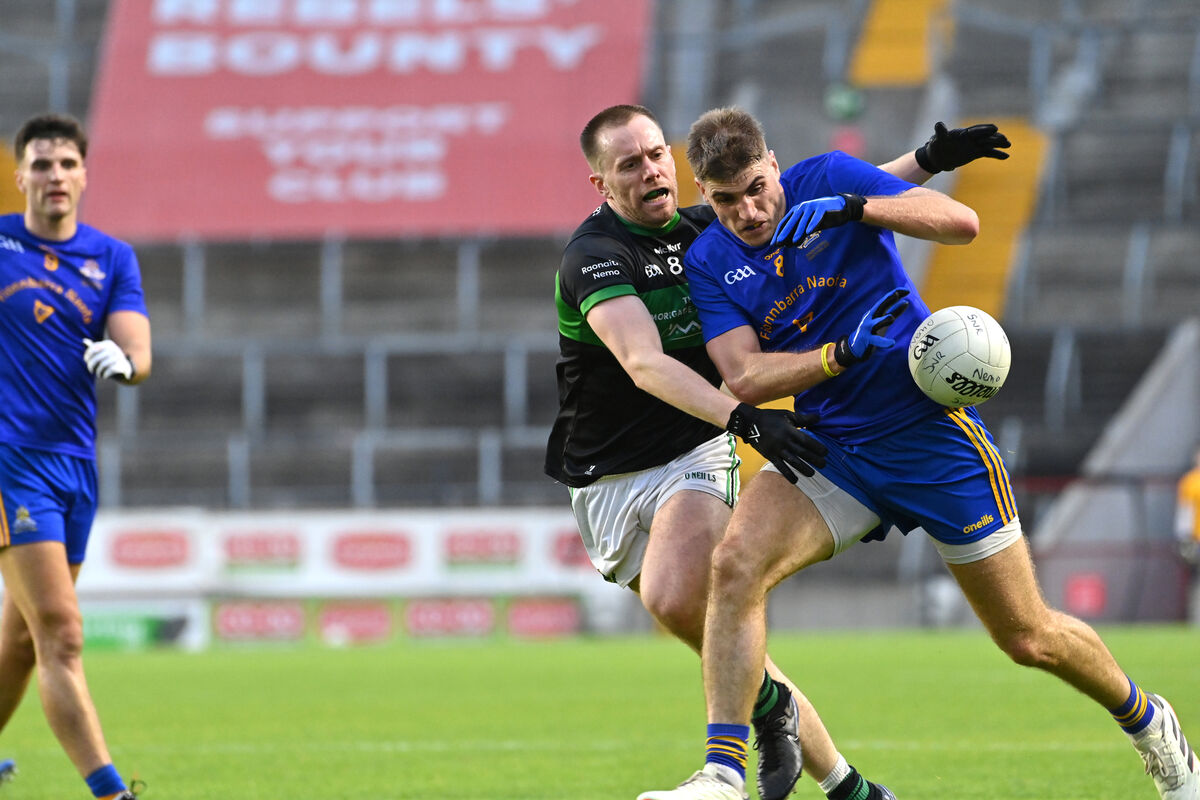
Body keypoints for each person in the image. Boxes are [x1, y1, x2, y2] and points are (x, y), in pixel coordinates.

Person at [638, 106, 1200, 800]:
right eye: (725, 200)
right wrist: (838, 356)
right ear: (703, 194)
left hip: (932, 438)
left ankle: (1150, 725)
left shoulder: (832, 180)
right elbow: (746, 376)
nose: (748, 211)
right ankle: (723, 773)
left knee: (1029, 637)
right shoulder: (710, 260)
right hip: (834, 448)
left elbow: (961, 225)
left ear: (774, 164)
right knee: (733, 564)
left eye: (756, 188)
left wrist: (855, 210)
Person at [545, 104, 1010, 800]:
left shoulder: (713, 225)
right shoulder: (596, 256)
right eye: (629, 164)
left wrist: (926, 161)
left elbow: (807, 204)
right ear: (600, 184)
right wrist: (746, 416)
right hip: (606, 475)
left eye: (654, 153)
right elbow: (644, 364)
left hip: (694, 451)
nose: (649, 170)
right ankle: (846, 782)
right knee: (724, 639)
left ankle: (722, 770)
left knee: (686, 598)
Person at [0, 113, 150, 800]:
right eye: (41, 164)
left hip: (74, 464)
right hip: (10, 459)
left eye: (66, 164)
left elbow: (139, 353)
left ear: (84, 175)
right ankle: (111, 792)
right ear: (20, 174)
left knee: (25, 641)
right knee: (61, 632)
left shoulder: (112, 257)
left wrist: (126, 362)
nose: (53, 176)